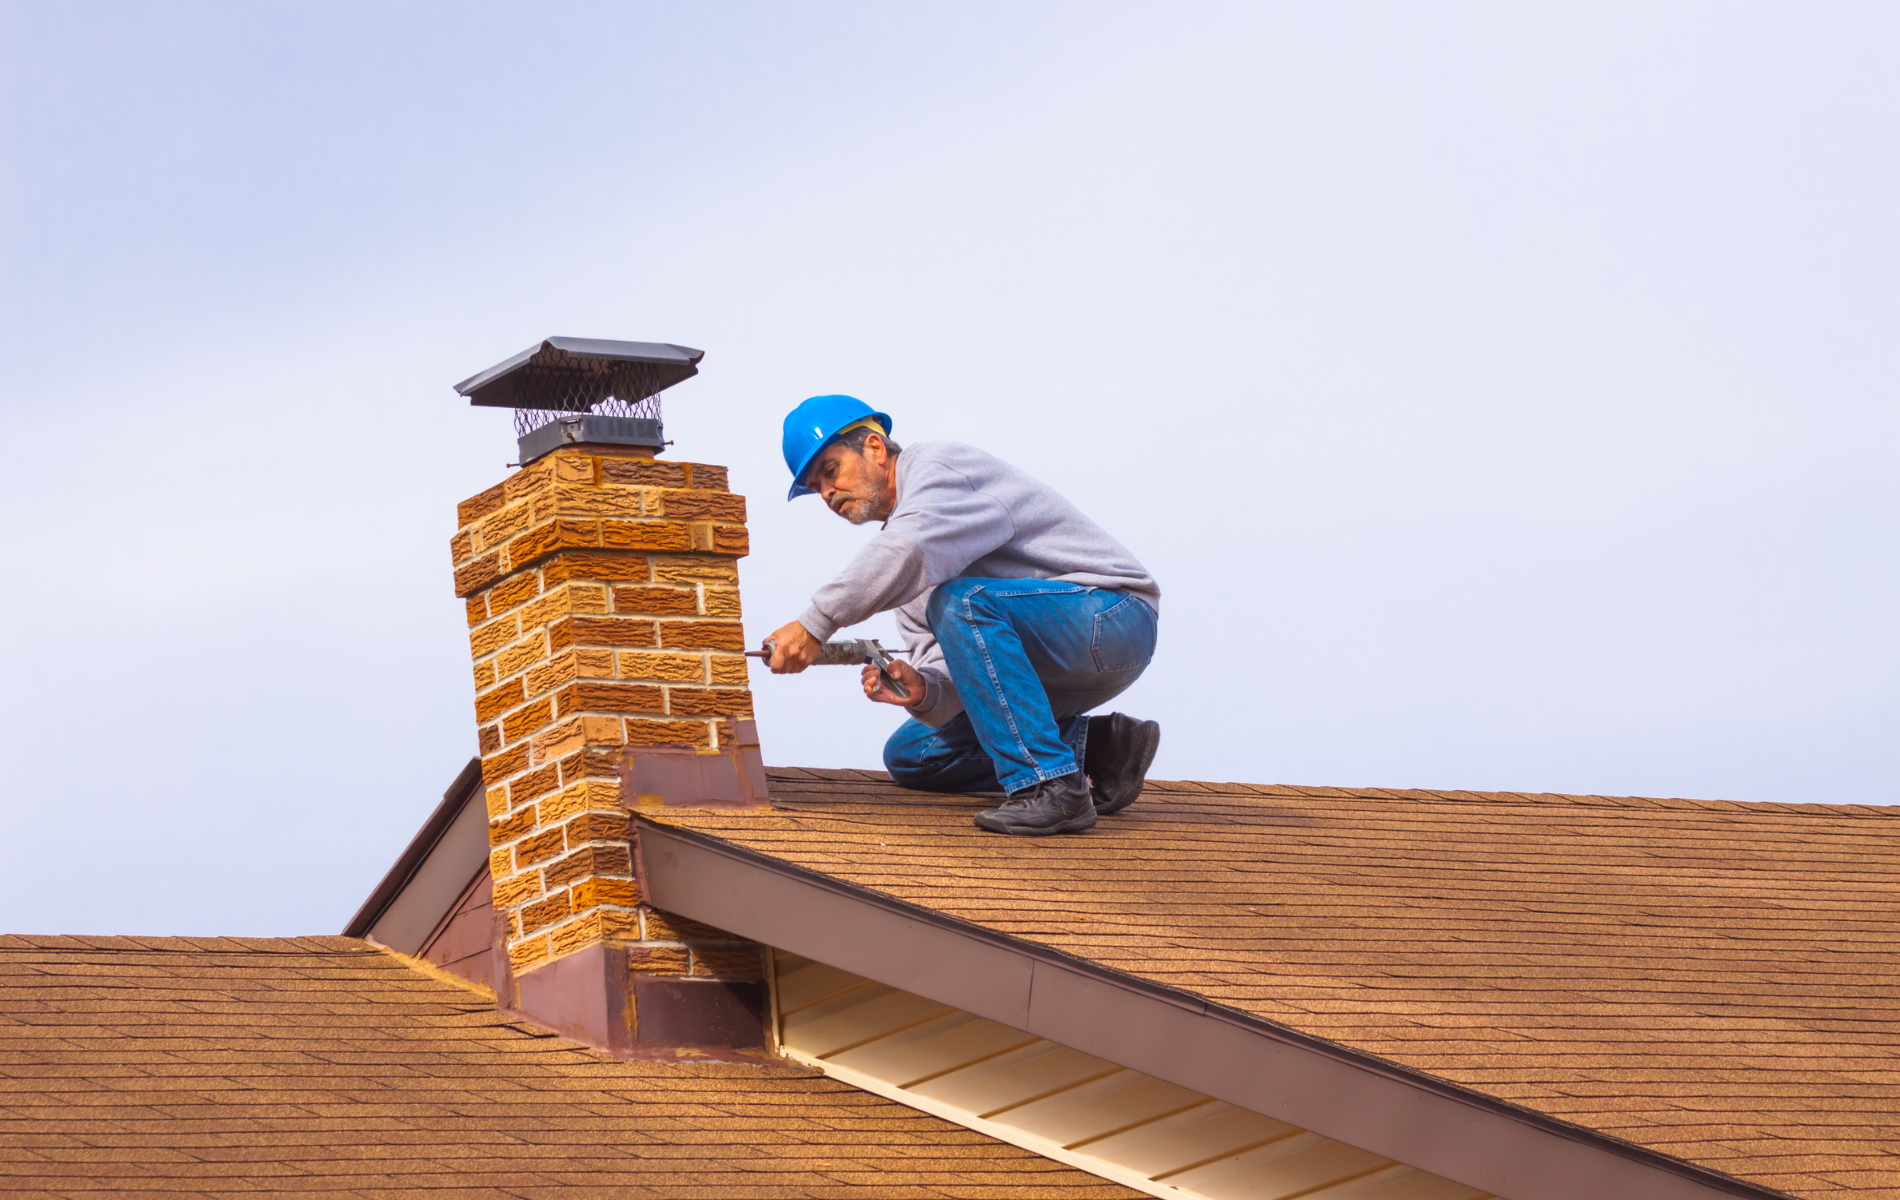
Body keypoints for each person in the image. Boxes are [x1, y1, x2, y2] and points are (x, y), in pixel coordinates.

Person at [761, 394, 1161, 836]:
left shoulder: (939, 468)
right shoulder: (906, 567)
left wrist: (814, 624)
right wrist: (925, 691)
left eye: (830, 472)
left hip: (1113, 618)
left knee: (962, 602)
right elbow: (958, 671)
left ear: (875, 447)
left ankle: (1052, 787)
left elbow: (911, 547)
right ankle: (1100, 751)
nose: (827, 493)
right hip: (1050, 668)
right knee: (915, 753)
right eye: (816, 488)